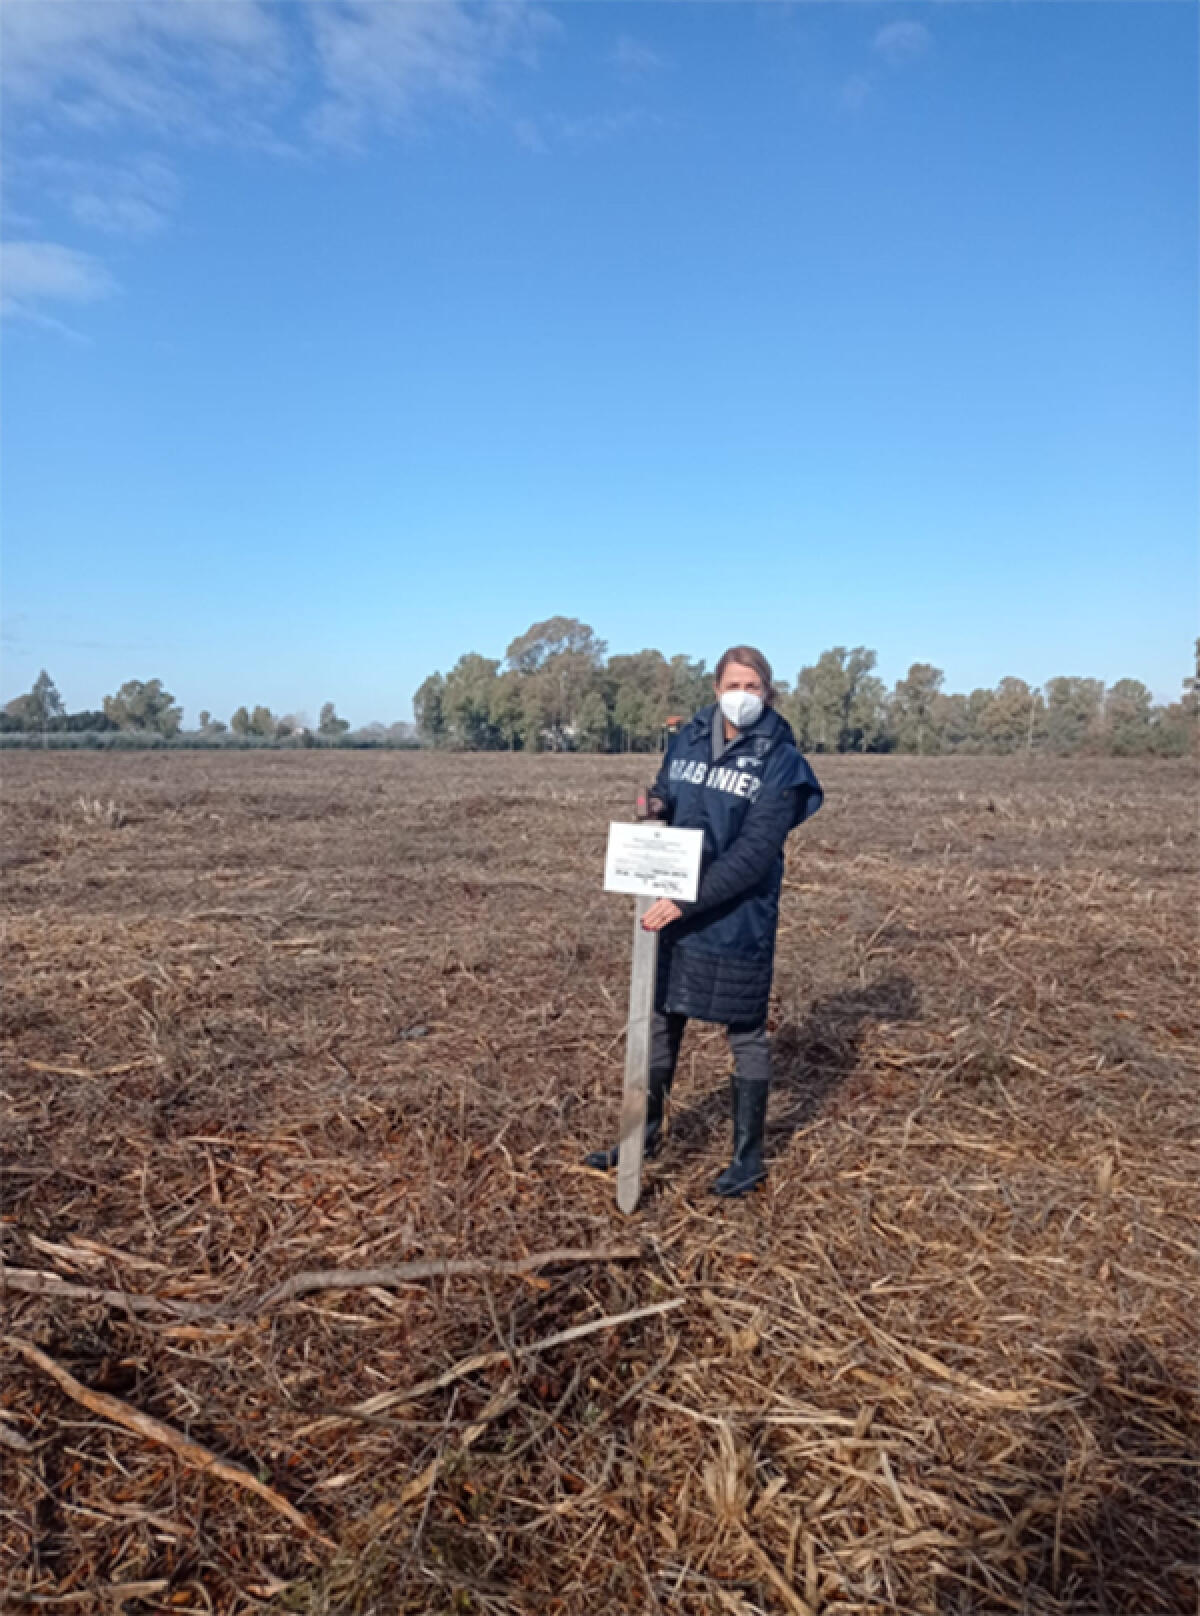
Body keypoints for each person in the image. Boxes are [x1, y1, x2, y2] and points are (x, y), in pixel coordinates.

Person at [586, 646, 823, 1196]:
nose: (742, 695)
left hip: (738, 915)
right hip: (675, 908)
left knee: (745, 1032)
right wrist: (654, 805)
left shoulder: (782, 761)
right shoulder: (688, 739)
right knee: (660, 1020)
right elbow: (668, 792)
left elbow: (755, 854)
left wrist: (687, 900)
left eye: (753, 686)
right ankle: (640, 1138)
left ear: (768, 693)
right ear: (716, 689)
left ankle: (747, 1159)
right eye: (732, 685)